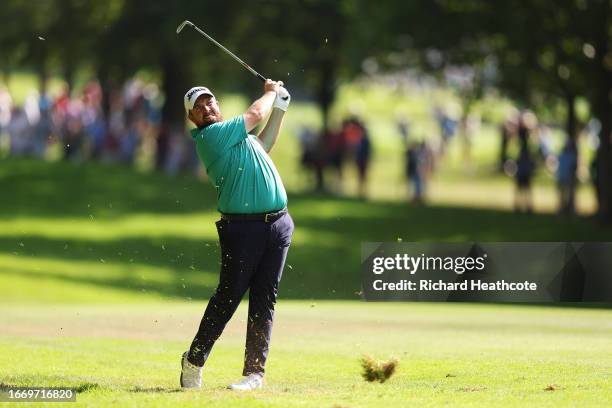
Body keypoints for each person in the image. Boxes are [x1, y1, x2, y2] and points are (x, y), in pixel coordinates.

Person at [180, 80, 294, 391]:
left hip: (279, 225)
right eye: (198, 107)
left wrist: (281, 107)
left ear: (217, 104)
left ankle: (254, 373)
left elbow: (264, 141)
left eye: (209, 102)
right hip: (242, 229)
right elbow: (257, 113)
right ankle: (194, 360)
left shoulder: (239, 138)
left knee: (264, 298)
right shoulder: (211, 137)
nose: (206, 109)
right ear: (192, 119)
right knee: (228, 298)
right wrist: (271, 91)